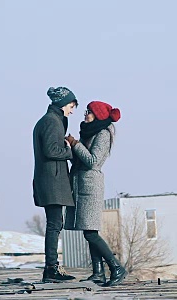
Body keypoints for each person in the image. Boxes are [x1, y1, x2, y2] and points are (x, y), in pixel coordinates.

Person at [64, 101, 127, 287]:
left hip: (91, 187)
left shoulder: (103, 134)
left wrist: (75, 144)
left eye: (89, 112)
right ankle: (98, 273)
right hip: (81, 185)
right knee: (89, 231)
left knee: (91, 232)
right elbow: (81, 158)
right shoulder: (90, 132)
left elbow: (93, 161)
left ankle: (116, 268)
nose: (85, 115)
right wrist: (70, 147)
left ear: (98, 115)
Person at [33, 86, 78, 282]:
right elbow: (51, 151)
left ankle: (51, 268)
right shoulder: (52, 122)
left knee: (55, 223)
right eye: (71, 105)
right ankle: (51, 269)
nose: (72, 110)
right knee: (54, 224)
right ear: (62, 104)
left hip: (50, 179)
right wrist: (69, 151)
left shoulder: (52, 120)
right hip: (52, 180)